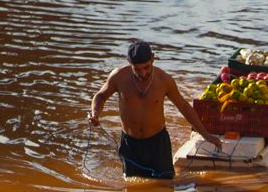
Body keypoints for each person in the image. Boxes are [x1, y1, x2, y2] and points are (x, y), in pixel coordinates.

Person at [89, 39, 211, 182]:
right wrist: (95, 113)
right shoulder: (119, 77)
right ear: (129, 63)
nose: (143, 73)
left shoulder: (164, 80)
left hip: (157, 143)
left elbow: (183, 106)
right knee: (132, 190)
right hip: (130, 144)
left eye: (147, 67)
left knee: (165, 186)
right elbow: (100, 96)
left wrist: (205, 134)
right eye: (137, 69)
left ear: (153, 58)